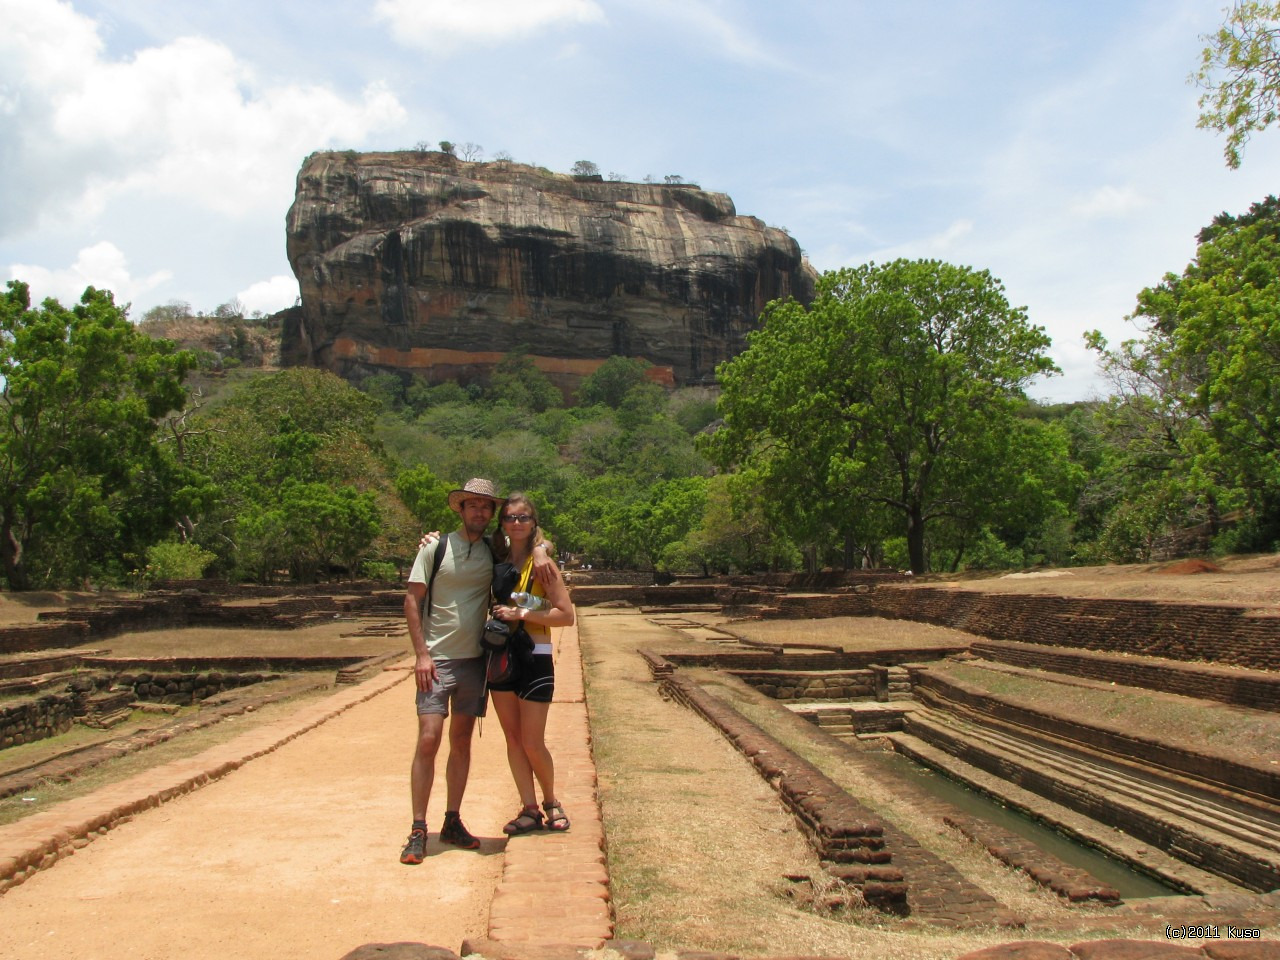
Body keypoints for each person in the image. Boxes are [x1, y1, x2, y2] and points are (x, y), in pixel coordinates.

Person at [399, 477, 503, 865]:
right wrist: (421, 654)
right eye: (472, 504)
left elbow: (525, 555)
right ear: (460, 509)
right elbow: (413, 601)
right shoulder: (436, 547)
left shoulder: (494, 551)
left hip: (475, 660)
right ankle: (418, 827)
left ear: (492, 514)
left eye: (485, 506)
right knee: (429, 738)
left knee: (461, 740)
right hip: (437, 660)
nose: (479, 511)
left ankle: (453, 819)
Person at [487, 492, 576, 834]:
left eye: (524, 517)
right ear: (503, 524)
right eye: (510, 517)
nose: (517, 523)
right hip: (500, 653)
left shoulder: (543, 565)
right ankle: (528, 807)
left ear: (533, 522)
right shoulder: (496, 558)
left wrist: (522, 613)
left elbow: (566, 616)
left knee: (532, 740)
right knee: (512, 738)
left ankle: (551, 801)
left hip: (534, 654)